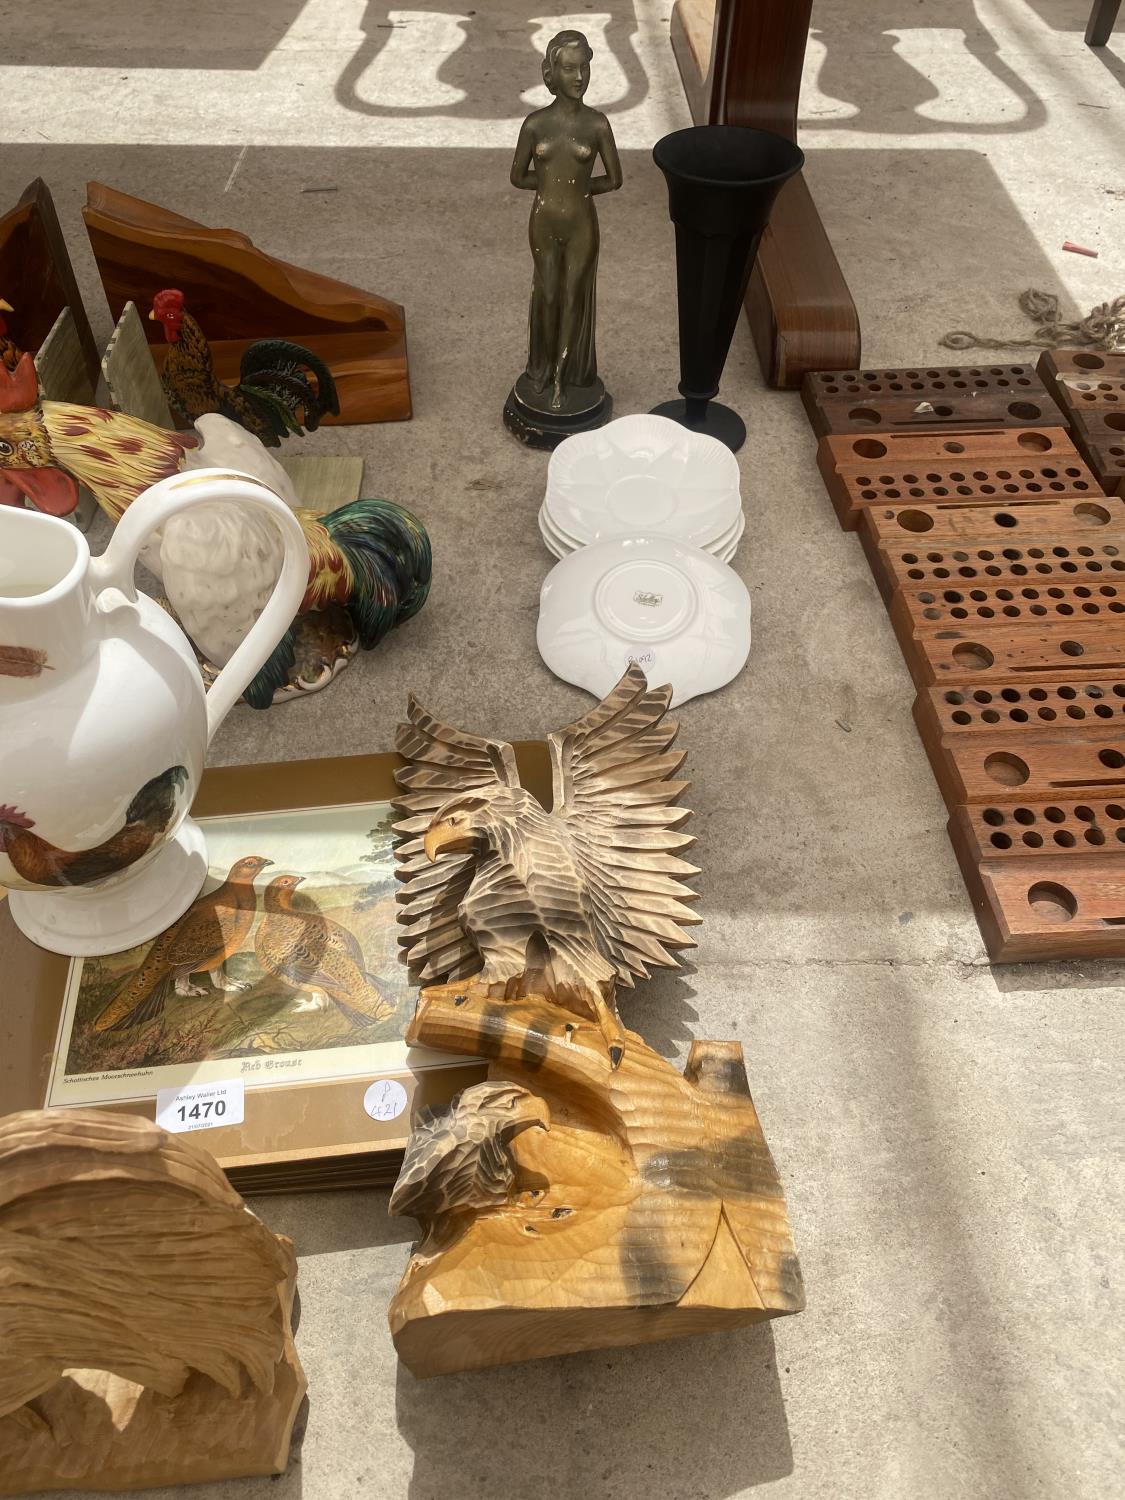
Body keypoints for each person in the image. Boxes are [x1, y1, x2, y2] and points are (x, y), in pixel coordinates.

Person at [509, 30, 623, 416]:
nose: (579, 77)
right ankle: (539, 370)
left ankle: (562, 376)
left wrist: (577, 189)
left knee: (574, 296)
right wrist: (550, 186)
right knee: (548, 294)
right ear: (551, 74)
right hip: (543, 221)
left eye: (585, 68)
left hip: (581, 225)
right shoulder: (535, 125)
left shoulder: (597, 125)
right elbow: (517, 176)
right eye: (570, 69)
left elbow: (614, 179)